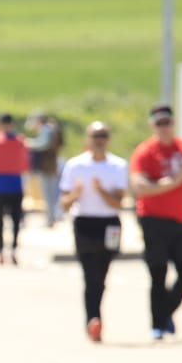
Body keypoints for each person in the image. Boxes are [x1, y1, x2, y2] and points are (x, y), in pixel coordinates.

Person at [130, 103, 182, 340]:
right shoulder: (145, 152)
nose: (164, 128)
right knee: (158, 272)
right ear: (152, 126)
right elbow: (141, 187)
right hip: (153, 220)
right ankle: (157, 324)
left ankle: (165, 313)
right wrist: (175, 181)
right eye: (159, 123)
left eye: (167, 122)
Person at [58, 121, 128, 342]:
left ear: (108, 139)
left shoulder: (117, 166)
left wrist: (100, 191)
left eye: (103, 135)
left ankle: (95, 316)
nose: (99, 140)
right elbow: (64, 204)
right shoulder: (75, 166)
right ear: (87, 139)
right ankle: (93, 320)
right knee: (90, 275)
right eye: (95, 136)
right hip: (84, 222)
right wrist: (76, 194)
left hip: (109, 224)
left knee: (103, 274)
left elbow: (118, 203)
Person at [0, 113, 28, 265]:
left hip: (10, 185)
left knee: (14, 221)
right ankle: (1, 251)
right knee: (1, 221)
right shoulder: (18, 141)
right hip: (4, 185)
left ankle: (12, 250)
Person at [26, 111, 65, 225]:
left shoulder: (46, 130)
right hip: (51, 164)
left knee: (49, 193)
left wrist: (28, 143)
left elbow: (41, 145)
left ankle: (50, 218)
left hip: (46, 165)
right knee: (52, 192)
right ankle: (52, 217)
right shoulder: (52, 129)